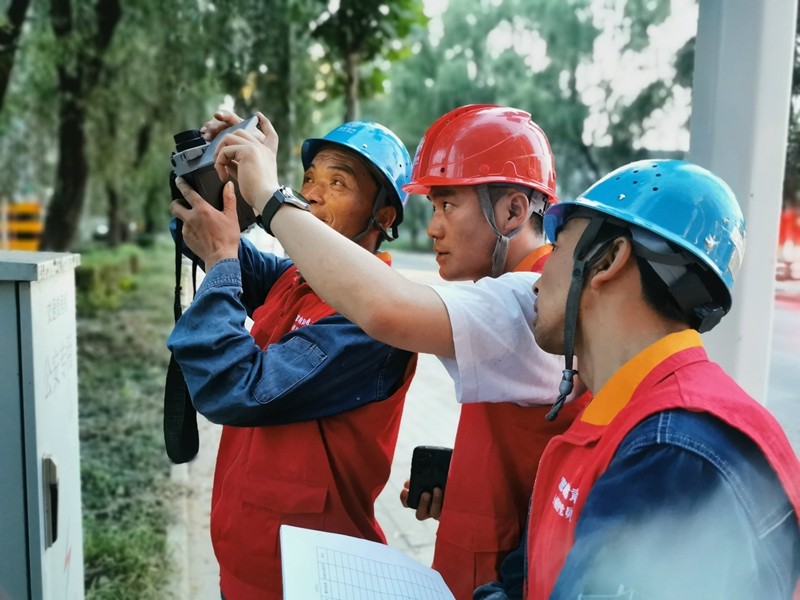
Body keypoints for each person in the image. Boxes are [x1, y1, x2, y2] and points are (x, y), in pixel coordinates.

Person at [209, 105, 588, 598]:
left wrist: (267, 197)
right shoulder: (519, 294)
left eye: (447, 205)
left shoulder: (529, 299)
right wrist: (474, 478)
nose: (432, 228)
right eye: (432, 207)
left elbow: (383, 308)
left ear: (514, 212)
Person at [479, 159, 800, 599]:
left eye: (556, 248)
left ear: (608, 258)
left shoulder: (674, 455)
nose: (536, 284)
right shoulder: (636, 423)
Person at [167, 117, 418, 599]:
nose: (314, 193)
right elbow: (205, 236)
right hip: (245, 560)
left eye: (338, 182)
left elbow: (239, 388)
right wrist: (218, 175)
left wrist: (222, 262)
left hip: (314, 578)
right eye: (309, 179)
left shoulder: (379, 317)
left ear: (384, 217)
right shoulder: (295, 277)